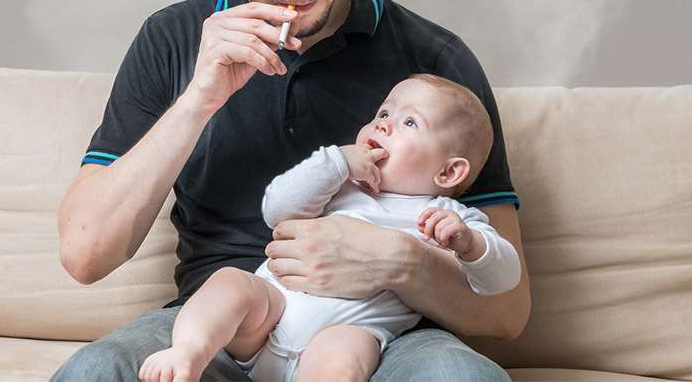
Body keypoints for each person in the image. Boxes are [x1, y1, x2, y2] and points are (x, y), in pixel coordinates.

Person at [52, 0, 530, 380]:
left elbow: (508, 312)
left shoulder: (434, 62)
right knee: (97, 370)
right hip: (225, 325)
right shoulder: (172, 39)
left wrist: (397, 261)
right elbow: (85, 255)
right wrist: (199, 100)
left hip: (380, 337)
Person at [138, 75, 522, 382]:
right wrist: (335, 163)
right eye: (384, 112)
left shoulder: (447, 217)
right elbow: (276, 209)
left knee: (347, 354)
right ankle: (188, 351)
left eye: (409, 122)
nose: (384, 125)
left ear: (449, 172)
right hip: (268, 314)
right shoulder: (341, 185)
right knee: (231, 283)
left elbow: (502, 279)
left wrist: (471, 244)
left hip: (346, 331)